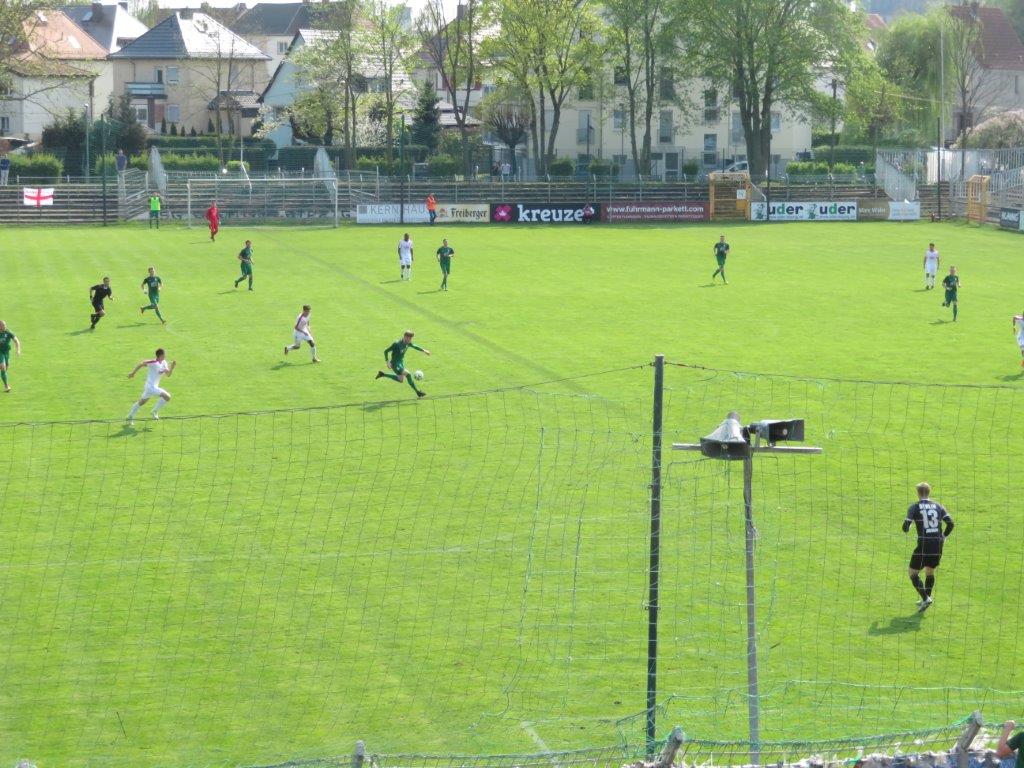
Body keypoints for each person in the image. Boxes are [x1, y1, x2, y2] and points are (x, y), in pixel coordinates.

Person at [902, 481, 953, 612]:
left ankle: (925, 598)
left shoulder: (914, 507)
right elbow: (951, 524)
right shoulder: (939, 506)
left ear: (918, 493)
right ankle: (926, 599)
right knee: (930, 571)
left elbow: (905, 528)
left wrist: (910, 524)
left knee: (912, 573)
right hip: (937, 545)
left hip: (924, 545)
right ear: (929, 492)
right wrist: (944, 536)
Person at [126, 347, 176, 424]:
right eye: (164, 354)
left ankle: (129, 416)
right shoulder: (153, 362)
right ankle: (154, 411)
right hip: (150, 387)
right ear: (160, 355)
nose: (165, 356)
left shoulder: (164, 363)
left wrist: (172, 367)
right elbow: (141, 364)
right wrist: (133, 373)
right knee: (167, 396)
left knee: (141, 402)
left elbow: (168, 374)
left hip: (153, 387)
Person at [375, 330, 429, 398]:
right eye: (409, 338)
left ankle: (382, 374)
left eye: (411, 338)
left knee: (400, 380)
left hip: (400, 362)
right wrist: (387, 362)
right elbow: (385, 351)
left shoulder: (408, 343)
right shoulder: (396, 344)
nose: (410, 340)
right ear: (405, 337)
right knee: (408, 374)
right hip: (395, 364)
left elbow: (414, 346)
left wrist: (424, 350)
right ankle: (418, 392)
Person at [0, 320, 21, 393]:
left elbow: (16, 341)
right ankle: (6, 386)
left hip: (6, 352)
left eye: (5, 325)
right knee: (3, 367)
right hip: (0, 353)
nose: (4, 326)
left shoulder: (8, 332)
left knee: (5, 369)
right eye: (3, 325)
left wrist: (18, 350)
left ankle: (4, 379)